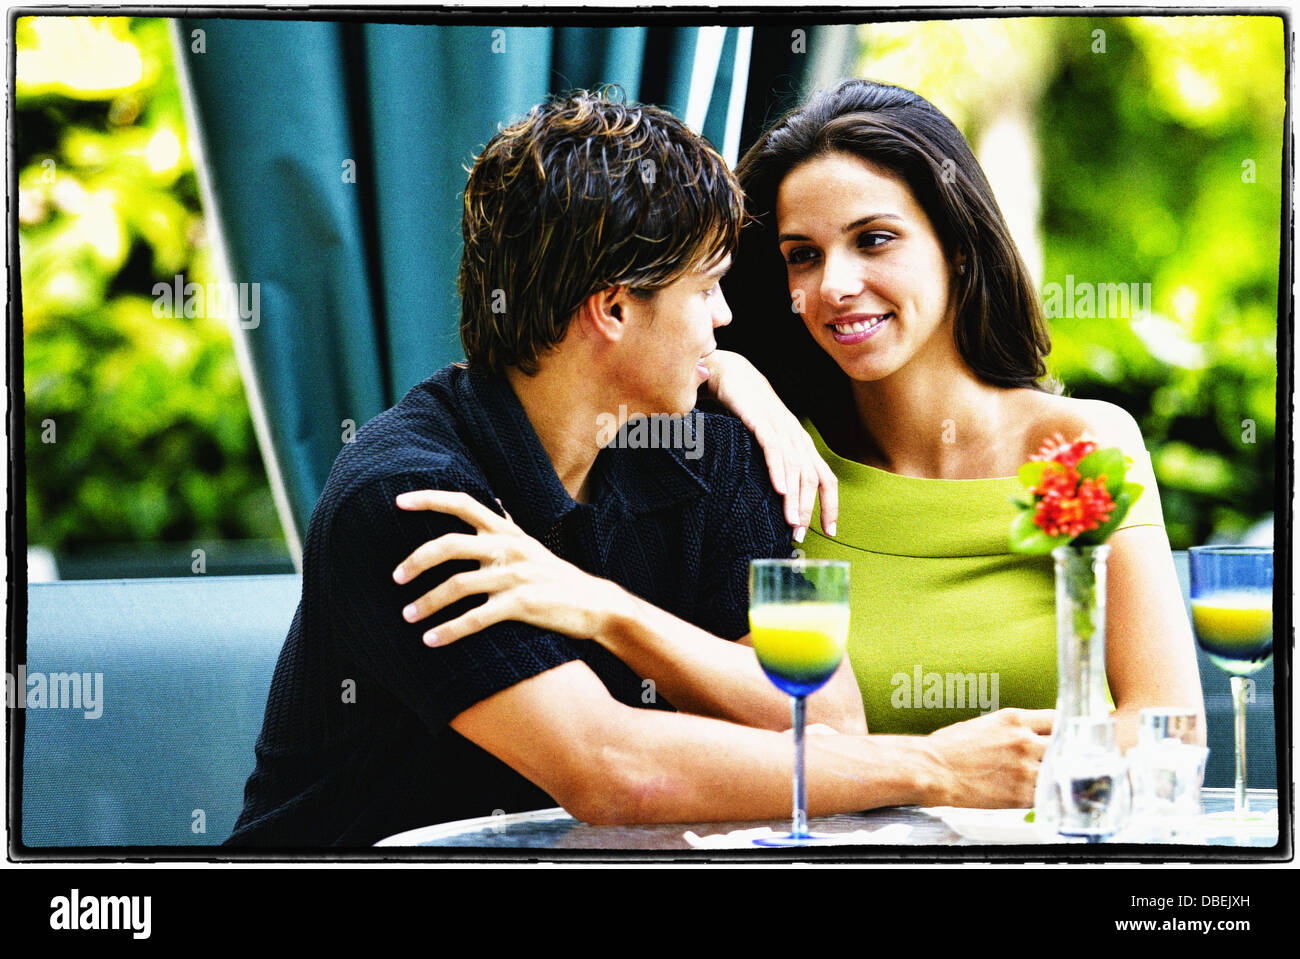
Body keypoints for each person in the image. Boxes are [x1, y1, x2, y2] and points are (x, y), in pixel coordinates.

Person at [228, 89, 1053, 847]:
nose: (726, 319)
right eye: (707, 288)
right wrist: (937, 766)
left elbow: (827, 719)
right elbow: (610, 766)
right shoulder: (410, 496)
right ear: (615, 307)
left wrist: (607, 609)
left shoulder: (715, 457)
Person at [716, 78, 1205, 748]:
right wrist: (722, 367)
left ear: (959, 247)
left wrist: (960, 778)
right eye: (803, 255)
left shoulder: (1076, 447)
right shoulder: (771, 458)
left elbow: (1168, 727)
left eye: (874, 239)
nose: (833, 285)